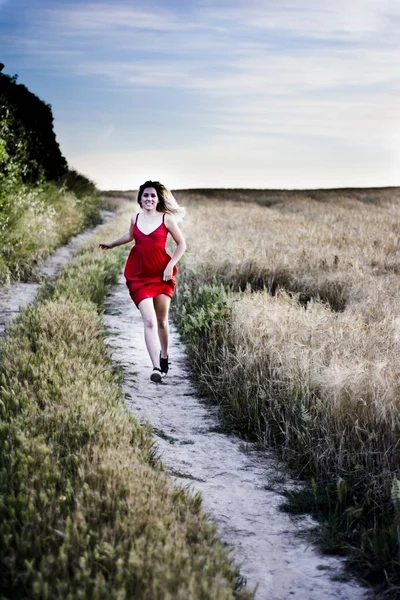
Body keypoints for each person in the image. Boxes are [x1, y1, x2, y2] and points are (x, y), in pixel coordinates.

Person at [99, 181, 186, 383]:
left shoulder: (167, 219)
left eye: (153, 196)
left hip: (161, 274)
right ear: (140, 199)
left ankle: (164, 356)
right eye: (145, 196)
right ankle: (156, 366)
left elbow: (182, 245)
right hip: (138, 274)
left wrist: (169, 266)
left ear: (158, 199)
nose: (149, 199)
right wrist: (112, 244)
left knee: (162, 321)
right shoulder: (135, 218)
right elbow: (130, 236)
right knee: (149, 321)